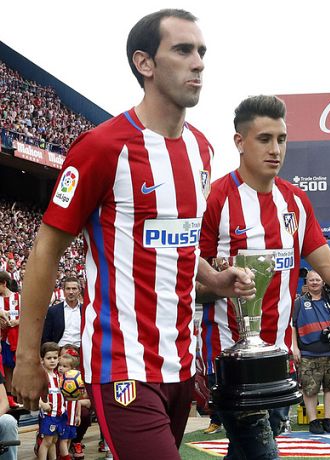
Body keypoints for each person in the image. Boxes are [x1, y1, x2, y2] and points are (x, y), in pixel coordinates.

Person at [13, 10, 256, 460]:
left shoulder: (202, 149)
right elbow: (45, 251)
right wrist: (27, 355)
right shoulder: (101, 148)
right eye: (183, 50)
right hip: (121, 365)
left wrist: (217, 280)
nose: (198, 62)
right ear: (144, 63)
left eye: (202, 51)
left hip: (182, 363)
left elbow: (179, 241)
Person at [197, 95, 330, 459]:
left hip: (281, 359)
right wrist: (219, 282)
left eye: (282, 139)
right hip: (230, 359)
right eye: (264, 139)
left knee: (246, 452)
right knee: (261, 452)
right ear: (239, 142)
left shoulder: (296, 203)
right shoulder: (215, 200)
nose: (276, 149)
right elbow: (189, 279)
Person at [292, 271, 330, 435]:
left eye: (318, 279)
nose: (315, 282)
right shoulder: (299, 303)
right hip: (308, 352)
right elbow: (292, 326)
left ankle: (327, 419)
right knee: (310, 389)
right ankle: (313, 421)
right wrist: (294, 348)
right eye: (311, 280)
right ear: (306, 283)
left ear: (324, 282)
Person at [37, 342, 62, 460]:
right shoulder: (42, 376)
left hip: (58, 414)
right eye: (48, 358)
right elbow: (34, 395)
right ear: (42, 360)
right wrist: (43, 405)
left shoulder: (58, 376)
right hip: (48, 414)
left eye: (55, 358)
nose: (52, 360)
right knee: (46, 441)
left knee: (54, 440)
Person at [41, 277, 82, 347]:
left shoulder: (85, 310)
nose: (71, 292)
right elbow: (46, 336)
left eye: (74, 289)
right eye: (68, 289)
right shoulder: (53, 311)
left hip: (81, 350)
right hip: (60, 350)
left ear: (79, 290)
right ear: (63, 291)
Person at [0, 272, 20, 407]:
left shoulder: (19, 297)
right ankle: (9, 397)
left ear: (4, 284)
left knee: (17, 366)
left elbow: (27, 316)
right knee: (6, 367)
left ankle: (19, 395)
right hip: (3, 338)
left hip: (17, 337)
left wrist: (17, 322)